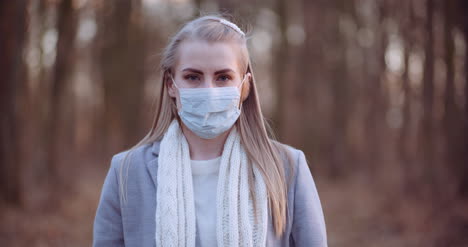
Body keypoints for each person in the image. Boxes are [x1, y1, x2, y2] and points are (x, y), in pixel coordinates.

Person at [93, 15, 327, 247]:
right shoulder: (126, 171)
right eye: (193, 77)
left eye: (223, 77)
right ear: (170, 85)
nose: (209, 90)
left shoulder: (287, 167)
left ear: (244, 86)